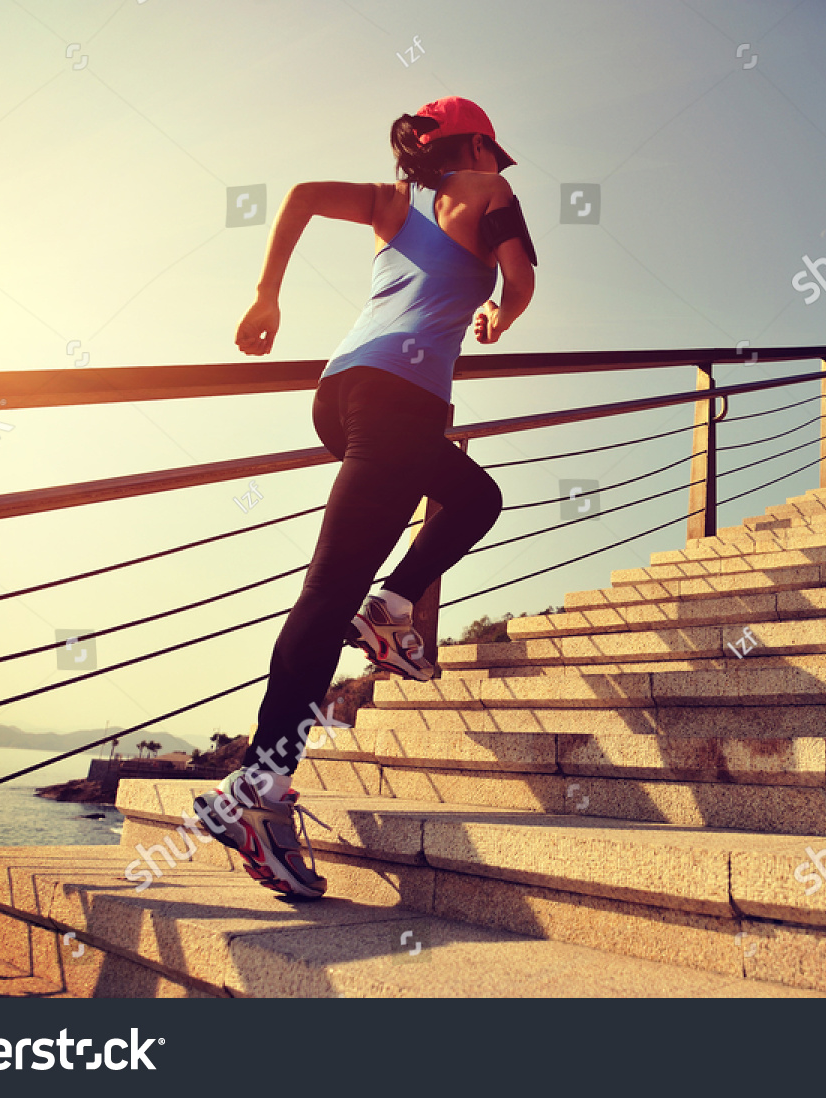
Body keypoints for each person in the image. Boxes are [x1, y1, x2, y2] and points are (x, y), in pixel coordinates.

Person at [190, 97, 537, 900]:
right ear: (477, 144)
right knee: (327, 591)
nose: (498, 167)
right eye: (493, 152)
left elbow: (304, 192)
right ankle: (257, 792)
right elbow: (519, 279)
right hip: (399, 401)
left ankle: (391, 609)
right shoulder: (484, 193)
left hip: (340, 391)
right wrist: (501, 312)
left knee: (474, 498)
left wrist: (266, 293)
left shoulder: (394, 203)